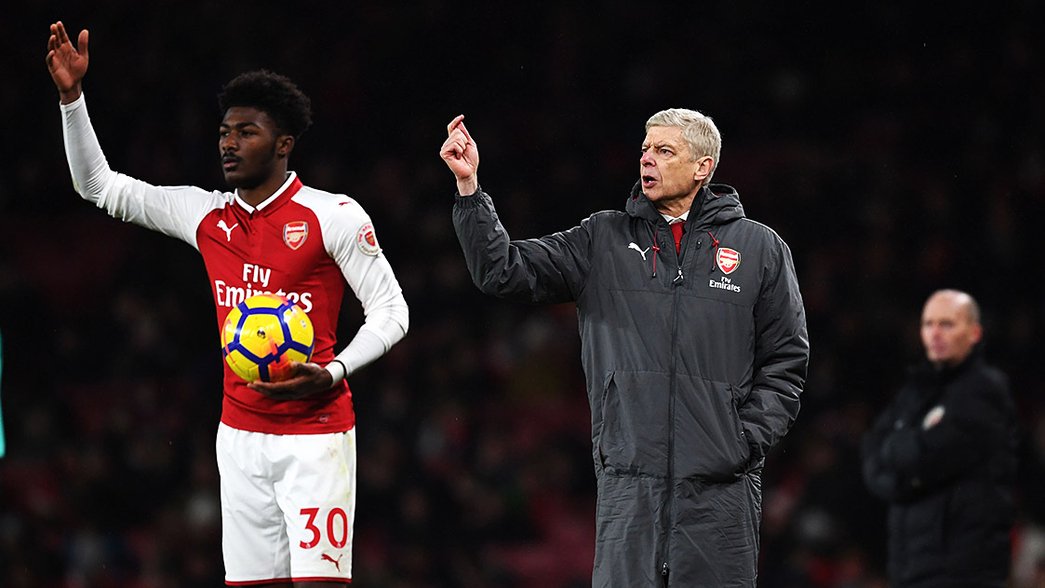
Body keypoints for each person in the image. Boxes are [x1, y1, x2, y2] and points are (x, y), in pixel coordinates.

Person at [46, 21, 409, 587]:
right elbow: (97, 186)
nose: (228, 143)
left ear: (284, 144)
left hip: (315, 437)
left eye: (247, 132)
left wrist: (333, 371)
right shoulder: (206, 216)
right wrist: (73, 98)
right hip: (238, 439)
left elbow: (392, 311)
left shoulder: (332, 216)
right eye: (224, 131)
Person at [440, 110, 809, 586]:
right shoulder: (603, 239)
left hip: (721, 492)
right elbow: (503, 270)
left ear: (703, 167)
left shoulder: (760, 249)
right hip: (629, 485)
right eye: (644, 149)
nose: (646, 160)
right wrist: (470, 191)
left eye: (664, 150)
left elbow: (786, 361)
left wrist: (741, 440)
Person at [862, 289, 1017, 587]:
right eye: (928, 323)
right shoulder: (914, 391)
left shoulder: (985, 389)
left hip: (963, 571)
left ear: (974, 333)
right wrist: (902, 469)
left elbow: (927, 457)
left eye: (947, 324)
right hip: (909, 568)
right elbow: (871, 451)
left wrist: (897, 461)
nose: (935, 333)